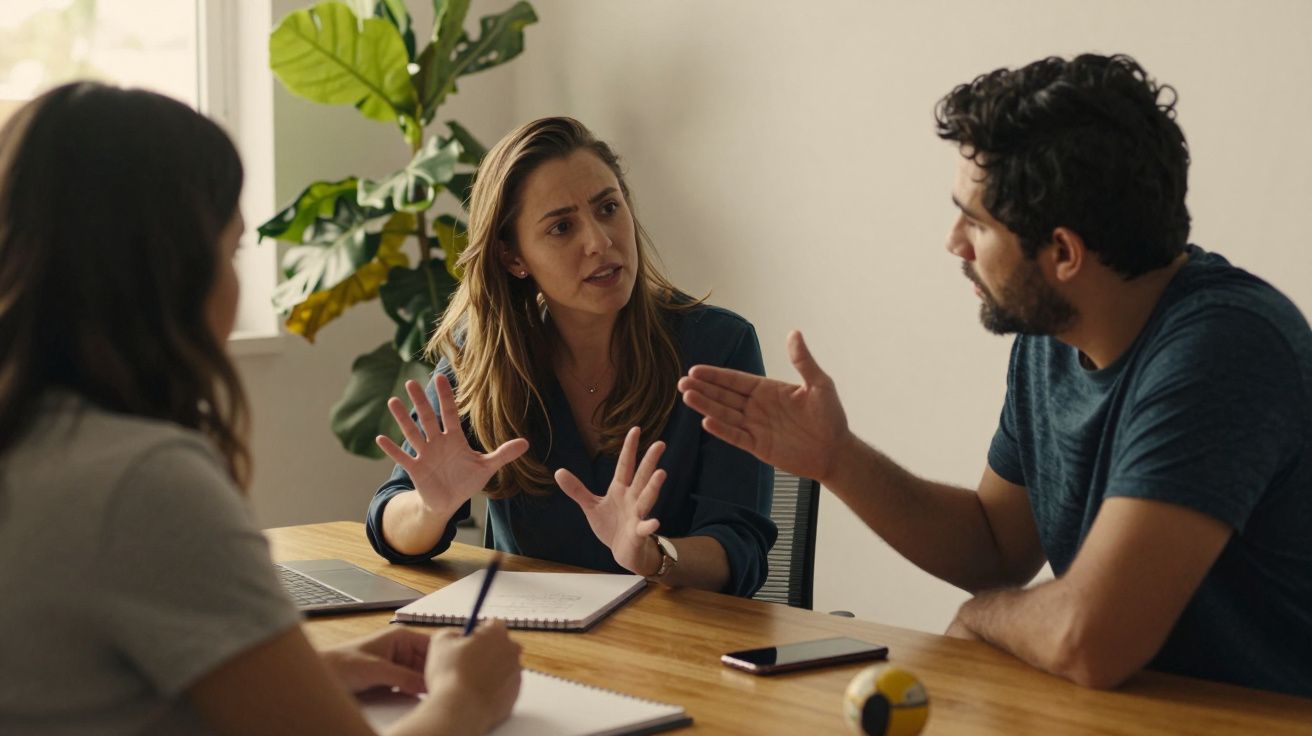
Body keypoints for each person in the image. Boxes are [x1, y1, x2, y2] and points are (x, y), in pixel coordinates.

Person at [678, 54, 1312, 696]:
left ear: (1064, 253)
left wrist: (979, 618)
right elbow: (995, 547)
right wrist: (837, 459)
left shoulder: (1225, 350)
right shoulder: (1053, 335)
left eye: (976, 222)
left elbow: (1089, 639)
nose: (954, 242)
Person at [0, 82, 521, 735]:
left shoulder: (34, 442)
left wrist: (312, 675)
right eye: (233, 249)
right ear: (174, 269)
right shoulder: (141, 482)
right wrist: (468, 699)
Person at [365, 117, 776, 596]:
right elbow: (392, 519)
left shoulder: (719, 347)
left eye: (608, 208)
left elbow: (740, 551)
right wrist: (429, 511)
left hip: (676, 648)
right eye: (561, 227)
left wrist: (653, 555)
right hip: (532, 649)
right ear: (513, 258)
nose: (599, 241)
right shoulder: (484, 354)